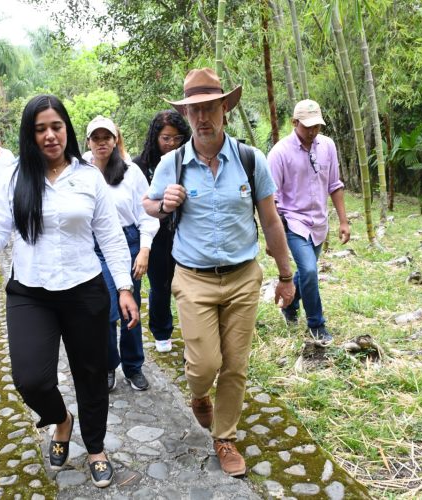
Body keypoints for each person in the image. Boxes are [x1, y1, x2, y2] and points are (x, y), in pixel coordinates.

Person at [0, 94, 136, 488]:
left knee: (92, 374)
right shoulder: (17, 178)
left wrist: (124, 287)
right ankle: (61, 420)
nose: (50, 136)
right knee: (31, 379)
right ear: (29, 135)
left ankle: (96, 448)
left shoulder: (88, 177)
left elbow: (112, 238)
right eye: (40, 129)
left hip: (85, 289)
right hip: (31, 291)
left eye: (56, 126)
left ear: (67, 128)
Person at [142, 68, 295, 477]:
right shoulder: (171, 165)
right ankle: (198, 395)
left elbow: (271, 220)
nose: (203, 117)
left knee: (235, 364)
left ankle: (225, 438)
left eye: (210, 107)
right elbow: (148, 207)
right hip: (193, 278)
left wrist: (286, 274)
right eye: (194, 111)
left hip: (243, 276)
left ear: (225, 108)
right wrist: (164, 204)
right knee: (203, 365)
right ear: (186, 115)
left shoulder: (250, 159)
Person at [268, 99, 350, 345]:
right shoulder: (280, 153)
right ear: (294, 123)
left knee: (307, 272)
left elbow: (334, 185)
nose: (313, 131)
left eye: (317, 126)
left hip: (319, 223)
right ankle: (316, 324)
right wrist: (273, 237)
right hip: (293, 222)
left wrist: (344, 222)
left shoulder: (327, 146)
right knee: (310, 271)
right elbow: (270, 199)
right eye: (307, 127)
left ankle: (289, 307)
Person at [86, 116, 159, 393]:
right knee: (105, 306)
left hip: (128, 243)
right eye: (96, 138)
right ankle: (108, 364)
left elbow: (147, 214)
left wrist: (144, 249)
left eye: (107, 137)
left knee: (130, 306)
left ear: (115, 140)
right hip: (94, 246)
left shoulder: (131, 172)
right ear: (89, 142)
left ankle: (133, 365)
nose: (101, 142)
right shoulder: (82, 170)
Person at [132, 110, 191, 353]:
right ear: (155, 136)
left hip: (184, 232)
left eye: (177, 139)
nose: (171, 144)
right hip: (155, 237)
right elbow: (139, 205)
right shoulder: (139, 166)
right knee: (160, 286)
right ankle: (162, 330)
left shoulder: (188, 162)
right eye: (166, 138)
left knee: (188, 286)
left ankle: (193, 333)